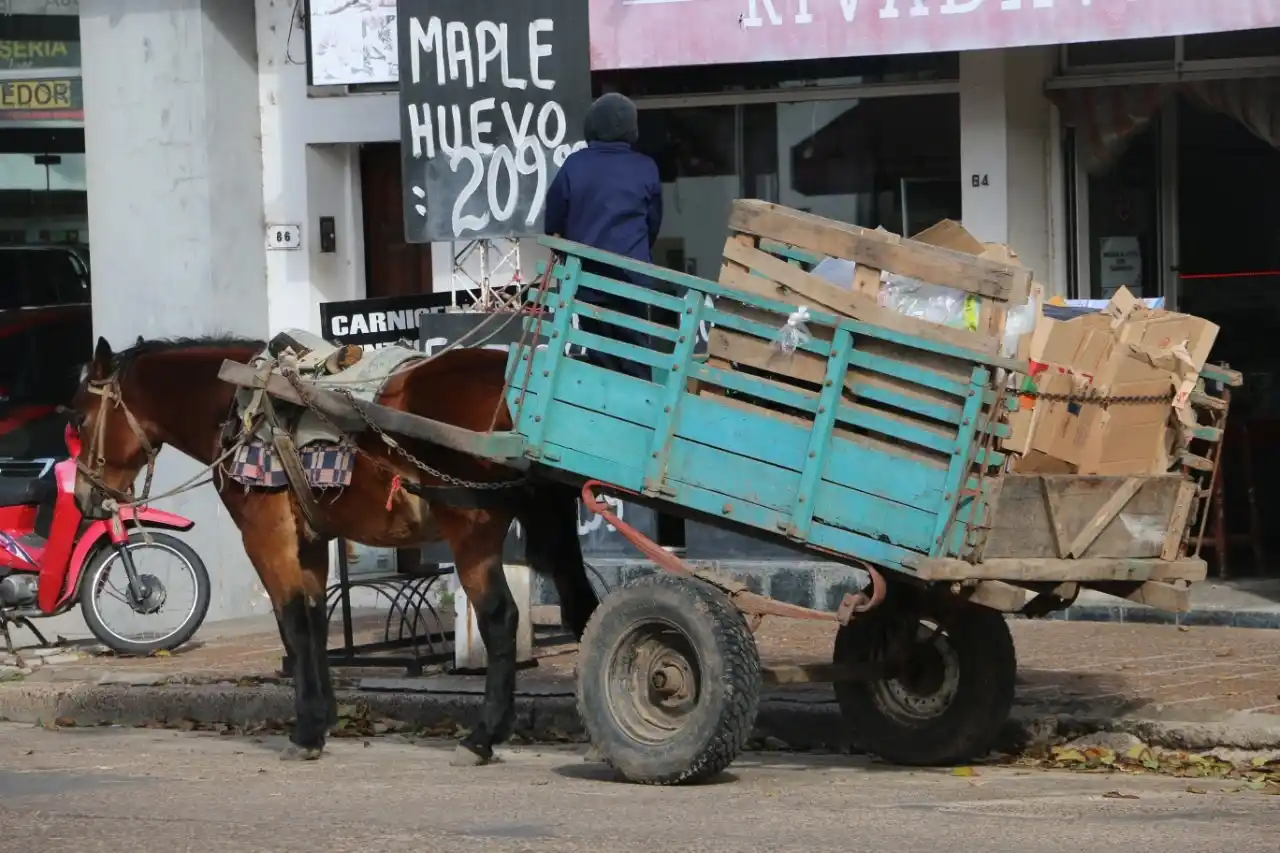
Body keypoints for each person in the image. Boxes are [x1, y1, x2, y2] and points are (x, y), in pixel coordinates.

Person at [543, 92, 664, 381]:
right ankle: (640, 414)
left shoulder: (575, 164)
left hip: (587, 279)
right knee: (635, 351)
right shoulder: (645, 167)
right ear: (631, 129)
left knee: (599, 351)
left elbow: (553, 220)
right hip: (632, 279)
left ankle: (608, 411)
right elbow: (653, 223)